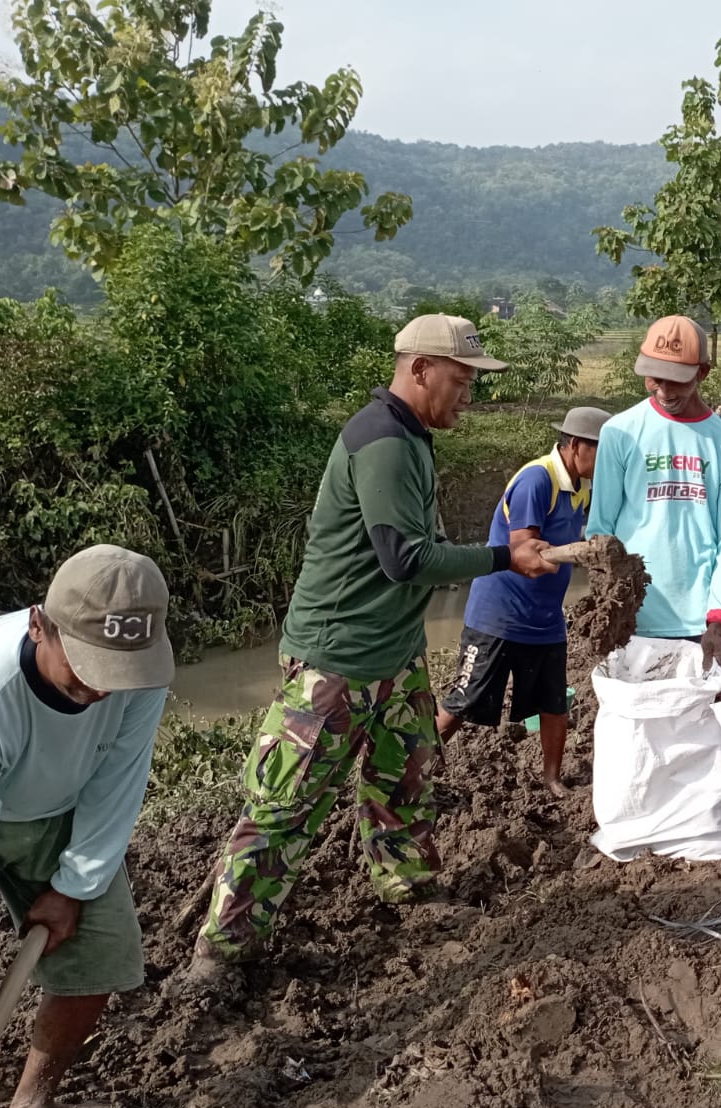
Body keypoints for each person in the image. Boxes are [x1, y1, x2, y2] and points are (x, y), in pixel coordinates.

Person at [186, 316, 556, 982]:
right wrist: (505, 556)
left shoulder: (412, 436)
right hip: (337, 658)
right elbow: (405, 559)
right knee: (285, 808)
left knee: (405, 778)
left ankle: (408, 887)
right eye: (460, 378)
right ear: (419, 369)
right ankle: (223, 947)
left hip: (393, 654)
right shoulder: (383, 439)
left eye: (472, 380)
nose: (469, 393)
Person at [0, 547, 173, 1108]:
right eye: (86, 666)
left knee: (102, 950)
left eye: (116, 671)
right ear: (39, 624)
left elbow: (119, 777)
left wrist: (75, 884)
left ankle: (29, 1103)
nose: (103, 689)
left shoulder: (142, 666)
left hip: (50, 808)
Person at [585, 316, 721, 848]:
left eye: (676, 379)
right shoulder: (621, 433)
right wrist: (610, 609)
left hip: (701, 606)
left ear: (701, 371)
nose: (663, 389)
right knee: (635, 716)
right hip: (637, 611)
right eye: (653, 378)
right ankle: (640, 813)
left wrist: (718, 618)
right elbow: (601, 529)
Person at [436, 406, 610, 797]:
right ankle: (414, 773)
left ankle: (551, 778)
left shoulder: (581, 487)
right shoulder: (537, 480)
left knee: (554, 703)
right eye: (603, 449)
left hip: (545, 618)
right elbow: (526, 555)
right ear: (577, 445)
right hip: (499, 614)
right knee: (462, 703)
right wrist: (583, 553)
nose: (606, 460)